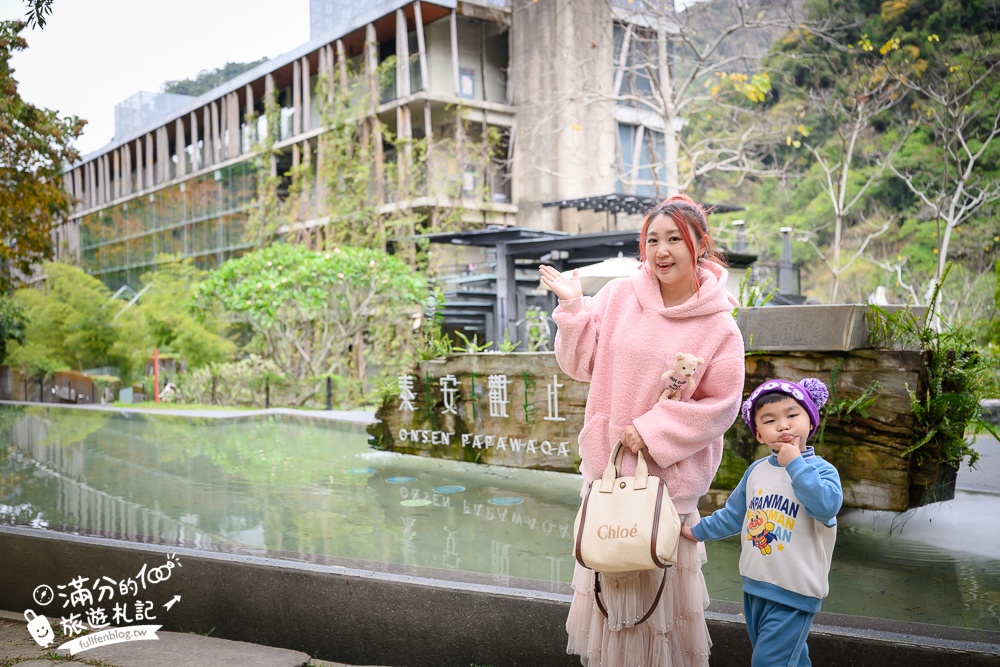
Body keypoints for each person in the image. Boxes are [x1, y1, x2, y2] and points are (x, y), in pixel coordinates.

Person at [540, 194, 746, 666]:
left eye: (674, 239)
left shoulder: (719, 327)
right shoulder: (619, 297)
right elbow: (579, 364)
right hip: (609, 480)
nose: (661, 251)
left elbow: (722, 406)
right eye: (652, 240)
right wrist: (572, 308)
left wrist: (651, 431)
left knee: (659, 618)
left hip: (667, 491)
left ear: (701, 245)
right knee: (610, 608)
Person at [680, 377, 843, 667]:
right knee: (791, 659)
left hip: (795, 591)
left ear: (810, 421)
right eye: (770, 420)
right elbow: (734, 515)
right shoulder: (756, 471)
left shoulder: (822, 470)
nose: (783, 426)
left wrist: (795, 464)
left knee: (768, 661)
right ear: (758, 434)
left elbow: (826, 506)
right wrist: (696, 531)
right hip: (756, 585)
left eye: (792, 415)